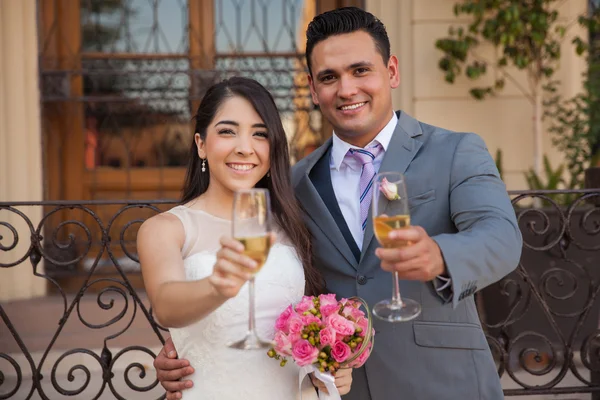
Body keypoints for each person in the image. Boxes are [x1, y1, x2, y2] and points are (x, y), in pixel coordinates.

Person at [154, 7, 522, 400]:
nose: (346, 89)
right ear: (314, 89)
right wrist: (191, 345)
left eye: (360, 70)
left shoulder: (456, 150)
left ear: (391, 71)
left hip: (444, 383)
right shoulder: (293, 183)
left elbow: (501, 238)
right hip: (343, 390)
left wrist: (440, 256)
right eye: (330, 77)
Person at [137, 76, 353, 400]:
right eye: (227, 131)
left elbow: (304, 325)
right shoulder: (166, 229)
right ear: (200, 144)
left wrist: (329, 369)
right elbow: (166, 306)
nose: (244, 147)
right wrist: (216, 287)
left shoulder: (292, 224)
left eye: (259, 134)